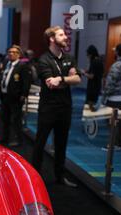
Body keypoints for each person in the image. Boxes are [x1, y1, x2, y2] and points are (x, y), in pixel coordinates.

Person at [31, 26, 82, 188]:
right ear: (52, 39)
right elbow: (50, 84)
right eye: (61, 34)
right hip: (48, 109)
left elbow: (77, 79)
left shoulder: (69, 58)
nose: (66, 37)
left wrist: (60, 79)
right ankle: (34, 178)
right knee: (40, 144)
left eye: (65, 34)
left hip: (65, 108)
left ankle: (60, 177)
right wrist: (66, 79)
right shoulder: (43, 59)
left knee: (62, 144)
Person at [0, 45, 31, 147]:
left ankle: (19, 140)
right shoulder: (6, 64)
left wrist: (24, 94)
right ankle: (5, 138)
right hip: (4, 96)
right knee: (5, 119)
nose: (11, 54)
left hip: (16, 97)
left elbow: (27, 82)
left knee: (16, 120)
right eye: (10, 52)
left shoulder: (22, 66)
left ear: (19, 54)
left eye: (14, 52)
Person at [81, 45, 104, 112]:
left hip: (93, 87)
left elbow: (91, 76)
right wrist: (86, 71)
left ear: (91, 54)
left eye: (88, 54)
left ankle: (90, 120)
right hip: (97, 85)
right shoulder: (99, 61)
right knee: (92, 104)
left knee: (89, 106)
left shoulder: (94, 62)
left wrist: (83, 73)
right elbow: (97, 72)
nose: (87, 56)